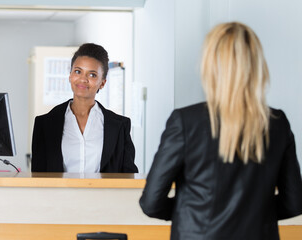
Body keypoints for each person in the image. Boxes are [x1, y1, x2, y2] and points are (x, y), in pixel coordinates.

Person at [139, 22, 302, 239]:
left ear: (210, 65)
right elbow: (294, 202)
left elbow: (151, 203)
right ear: (256, 65)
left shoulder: (186, 122)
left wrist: (192, 213)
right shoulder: (277, 123)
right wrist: (254, 214)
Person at [31, 43, 138, 173]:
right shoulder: (45, 124)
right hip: (59, 193)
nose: (83, 79)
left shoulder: (120, 126)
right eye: (78, 71)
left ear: (102, 83)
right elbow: (38, 176)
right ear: (70, 75)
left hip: (104, 193)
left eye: (92, 75)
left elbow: (128, 175)